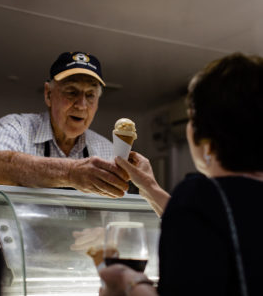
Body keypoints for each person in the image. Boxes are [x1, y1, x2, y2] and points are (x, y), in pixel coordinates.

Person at [99, 53, 263, 296]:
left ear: (203, 135)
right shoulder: (213, 203)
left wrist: (130, 283)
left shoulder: (198, 197)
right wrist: (149, 188)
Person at [0, 51, 129, 197]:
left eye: (90, 95)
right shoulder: (15, 127)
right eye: (71, 92)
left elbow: (117, 216)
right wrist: (71, 173)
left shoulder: (107, 150)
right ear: (48, 94)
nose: (81, 105)